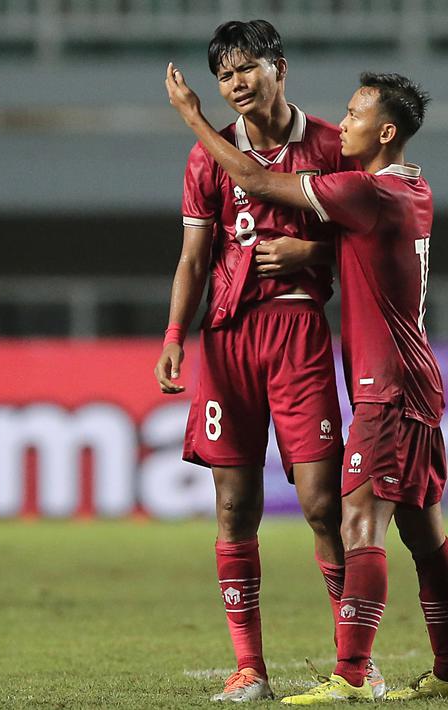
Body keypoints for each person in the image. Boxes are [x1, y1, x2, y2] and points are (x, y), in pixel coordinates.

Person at [166, 65, 448, 703]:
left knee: (356, 519)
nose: (347, 121)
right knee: (424, 531)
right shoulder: (414, 189)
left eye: (358, 113)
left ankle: (354, 676)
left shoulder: (368, 192)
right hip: (414, 379)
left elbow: (252, 178)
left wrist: (194, 117)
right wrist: (313, 254)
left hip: (384, 386)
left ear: (385, 131)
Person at [152, 20, 379, 702]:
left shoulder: (332, 146)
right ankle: (249, 668)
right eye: (223, 76)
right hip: (227, 340)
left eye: (246, 68)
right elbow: (194, 257)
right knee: (234, 506)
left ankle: (354, 665)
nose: (235, 84)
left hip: (297, 330)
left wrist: (312, 255)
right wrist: (172, 333)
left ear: (278, 67)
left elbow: (373, 240)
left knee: (318, 503)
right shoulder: (206, 159)